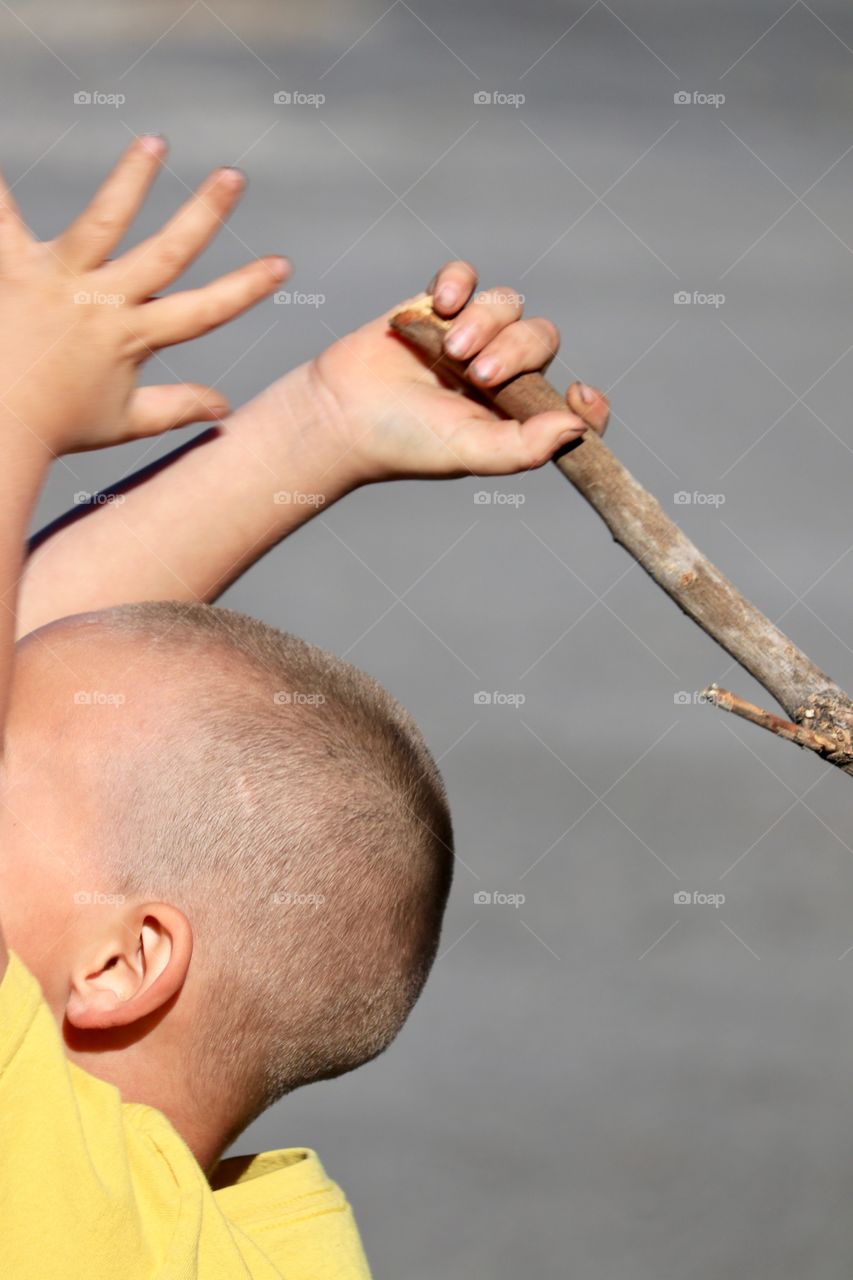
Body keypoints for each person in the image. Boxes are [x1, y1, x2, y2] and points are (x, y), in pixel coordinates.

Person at [0, 137, 609, 1278]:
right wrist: (313, 428)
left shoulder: (48, 1196)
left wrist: (18, 403)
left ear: (121, 960)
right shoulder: (250, 1246)